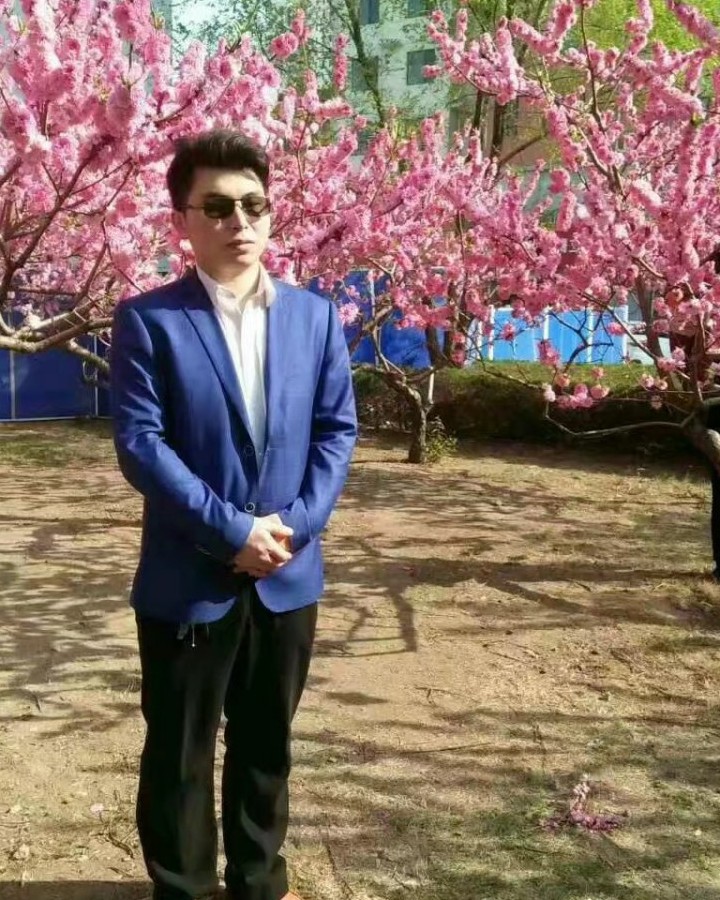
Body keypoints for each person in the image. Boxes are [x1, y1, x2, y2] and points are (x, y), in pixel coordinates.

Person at [110, 129, 357, 900]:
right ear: (182, 220)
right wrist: (233, 531)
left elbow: (336, 431)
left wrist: (294, 528)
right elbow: (141, 446)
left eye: (254, 204)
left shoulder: (315, 318)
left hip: (288, 576)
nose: (238, 222)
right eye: (216, 207)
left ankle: (259, 882)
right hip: (189, 578)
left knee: (266, 747)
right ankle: (183, 888)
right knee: (179, 755)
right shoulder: (149, 321)